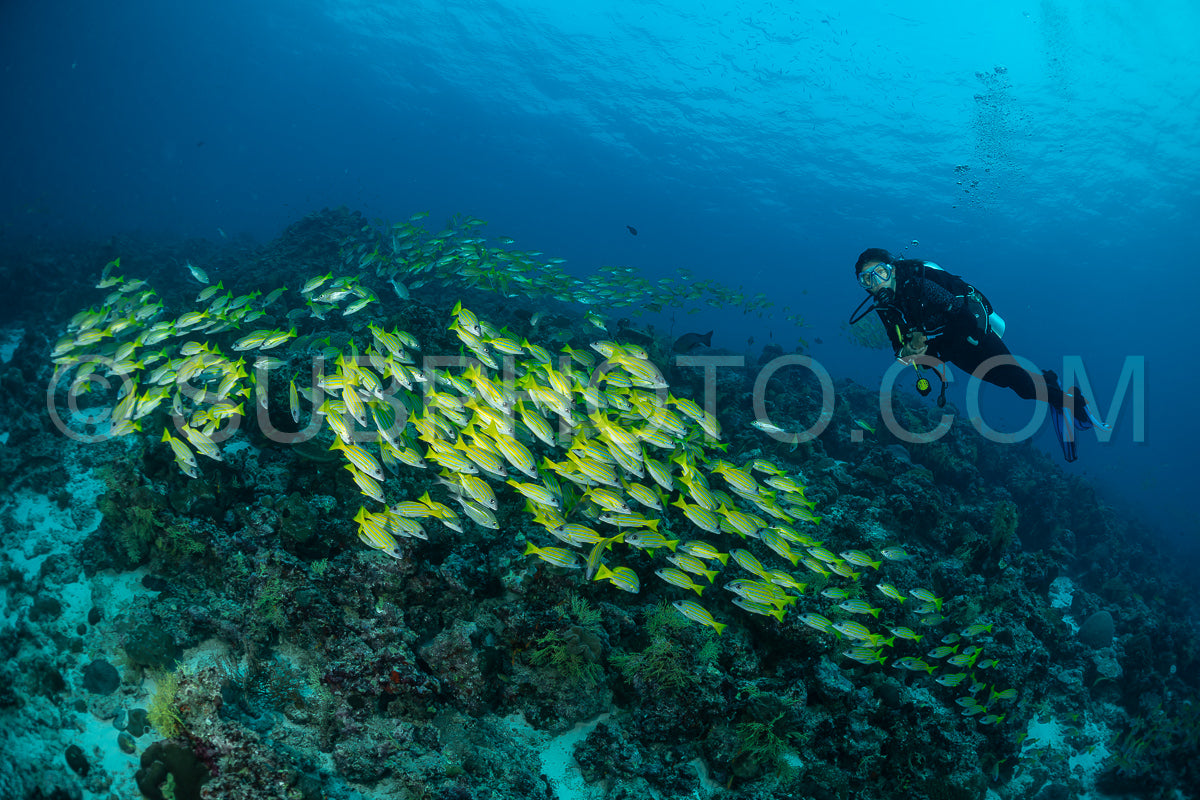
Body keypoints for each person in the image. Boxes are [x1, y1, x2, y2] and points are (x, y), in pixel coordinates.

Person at [849, 247, 1102, 461]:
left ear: (892, 268)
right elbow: (898, 349)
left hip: (974, 335)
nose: (876, 283)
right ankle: (1048, 380)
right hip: (951, 349)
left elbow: (963, 316)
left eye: (879, 273)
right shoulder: (885, 307)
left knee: (1023, 388)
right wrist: (910, 350)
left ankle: (1074, 401)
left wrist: (926, 344)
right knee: (1008, 381)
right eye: (866, 280)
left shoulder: (919, 282)